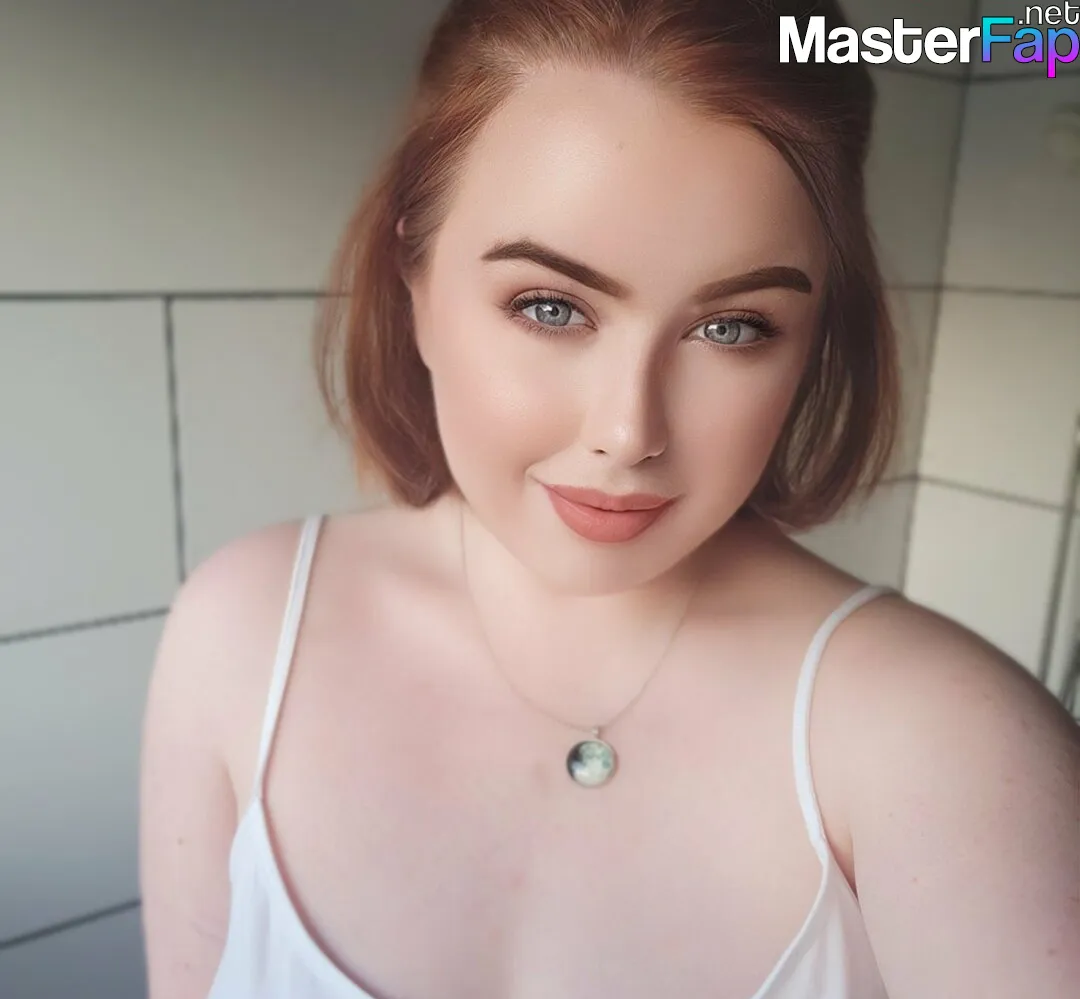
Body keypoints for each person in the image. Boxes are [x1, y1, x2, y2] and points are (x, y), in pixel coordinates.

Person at [138, 1, 1080, 996]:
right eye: (550, 307)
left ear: (813, 341)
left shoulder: (949, 743)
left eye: (733, 327)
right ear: (414, 277)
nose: (629, 432)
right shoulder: (241, 631)